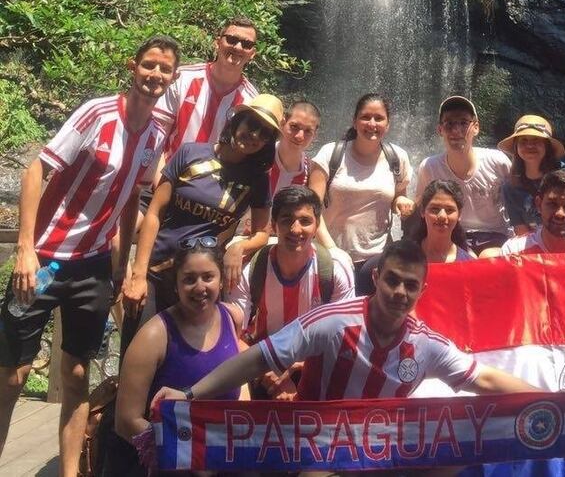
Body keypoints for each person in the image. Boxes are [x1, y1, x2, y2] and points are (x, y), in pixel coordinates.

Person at [0, 35, 180, 476]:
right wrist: (25, 248)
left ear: (172, 78)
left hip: (94, 267)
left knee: (78, 373)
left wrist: (120, 267)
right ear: (132, 66)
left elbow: (129, 199)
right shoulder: (97, 113)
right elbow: (37, 168)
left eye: (165, 70)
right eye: (149, 65)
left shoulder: (157, 133)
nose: (155, 75)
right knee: (12, 375)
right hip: (43, 261)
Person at [152, 239, 542, 407]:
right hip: (317, 445)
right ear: (376, 279)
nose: (399, 293)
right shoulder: (333, 321)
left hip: (382, 456)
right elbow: (258, 358)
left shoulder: (426, 344)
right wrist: (190, 395)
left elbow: (484, 379)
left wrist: (549, 401)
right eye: (392, 280)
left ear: (421, 292)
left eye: (410, 286)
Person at [122, 94, 281, 326]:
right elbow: (155, 212)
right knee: (136, 352)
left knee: (184, 357)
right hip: (157, 271)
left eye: (265, 133)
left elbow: (262, 233)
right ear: (238, 121)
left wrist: (239, 246)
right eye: (252, 124)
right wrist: (138, 273)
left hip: (200, 285)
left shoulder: (257, 180)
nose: (255, 134)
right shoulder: (190, 153)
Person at [112, 242, 244, 473]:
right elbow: (126, 420)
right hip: (172, 465)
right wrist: (190, 455)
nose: (199, 287)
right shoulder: (153, 336)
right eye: (189, 279)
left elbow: (238, 381)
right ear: (176, 286)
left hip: (226, 459)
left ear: (221, 280)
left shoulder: (232, 317)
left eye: (208, 277)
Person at [228, 185, 355, 399]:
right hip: (261, 363)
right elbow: (231, 334)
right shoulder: (251, 269)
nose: (296, 229)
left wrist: (298, 369)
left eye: (305, 221)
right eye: (287, 220)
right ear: (274, 226)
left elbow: (345, 338)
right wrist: (273, 373)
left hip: (315, 363)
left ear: (316, 227)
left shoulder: (334, 270)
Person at [308, 94, 413, 282]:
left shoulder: (397, 157)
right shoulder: (330, 154)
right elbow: (311, 209)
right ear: (354, 122)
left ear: (388, 125)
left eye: (379, 118)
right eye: (365, 117)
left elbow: (397, 197)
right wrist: (332, 251)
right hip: (328, 255)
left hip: (377, 258)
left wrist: (401, 200)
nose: (372, 123)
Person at [154, 16, 260, 161]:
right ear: (217, 43)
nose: (238, 47)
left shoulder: (252, 101)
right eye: (232, 40)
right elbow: (157, 133)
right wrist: (163, 179)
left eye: (246, 44)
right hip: (165, 174)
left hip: (214, 182)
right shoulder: (182, 78)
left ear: (252, 53)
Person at [415, 96, 511, 254]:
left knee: (488, 257)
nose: (456, 130)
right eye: (449, 123)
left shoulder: (498, 162)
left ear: (476, 127)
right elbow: (419, 207)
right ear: (440, 129)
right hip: (451, 235)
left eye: (464, 123)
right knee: (466, 257)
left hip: (496, 236)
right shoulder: (429, 166)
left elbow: (518, 200)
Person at [357, 179, 476, 295]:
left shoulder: (469, 266)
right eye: (434, 209)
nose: (441, 216)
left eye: (449, 210)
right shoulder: (400, 259)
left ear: (459, 215)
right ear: (422, 212)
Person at [498, 114, 565, 239]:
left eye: (536, 140)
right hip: (538, 250)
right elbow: (523, 235)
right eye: (523, 140)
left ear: (547, 145)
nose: (530, 145)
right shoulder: (511, 187)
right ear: (516, 147)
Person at [268, 100, 320, 196]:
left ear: (315, 136)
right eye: (294, 126)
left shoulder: (310, 175)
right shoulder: (260, 155)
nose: (300, 136)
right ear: (282, 123)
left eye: (308, 131)